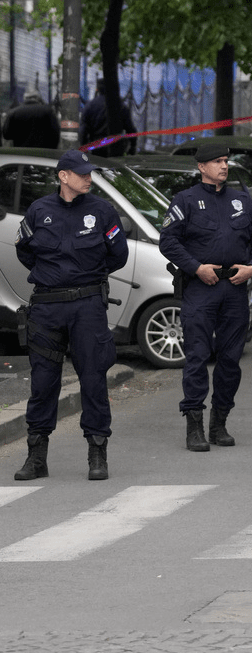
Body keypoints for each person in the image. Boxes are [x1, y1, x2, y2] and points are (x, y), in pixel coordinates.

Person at [13, 150, 129, 481]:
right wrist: (51, 275)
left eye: (89, 172)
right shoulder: (39, 210)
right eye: (81, 173)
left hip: (88, 306)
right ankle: (37, 456)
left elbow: (118, 255)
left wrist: (87, 276)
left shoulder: (102, 211)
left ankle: (97, 453)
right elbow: (25, 250)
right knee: (43, 382)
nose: (88, 177)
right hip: (47, 307)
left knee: (93, 378)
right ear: (64, 176)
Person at [159, 144, 252, 452]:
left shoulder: (242, 200)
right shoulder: (186, 201)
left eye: (225, 161)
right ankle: (194, 424)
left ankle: (219, 422)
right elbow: (168, 241)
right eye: (217, 161)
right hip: (200, 288)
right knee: (197, 356)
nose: (224, 166)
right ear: (201, 167)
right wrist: (195, 267)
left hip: (234, 288)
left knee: (230, 359)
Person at [79, 78, 137, 156]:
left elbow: (83, 131)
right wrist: (133, 146)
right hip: (116, 147)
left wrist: (84, 147)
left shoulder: (90, 106)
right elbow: (130, 129)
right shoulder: (121, 106)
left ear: (97, 89)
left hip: (97, 147)